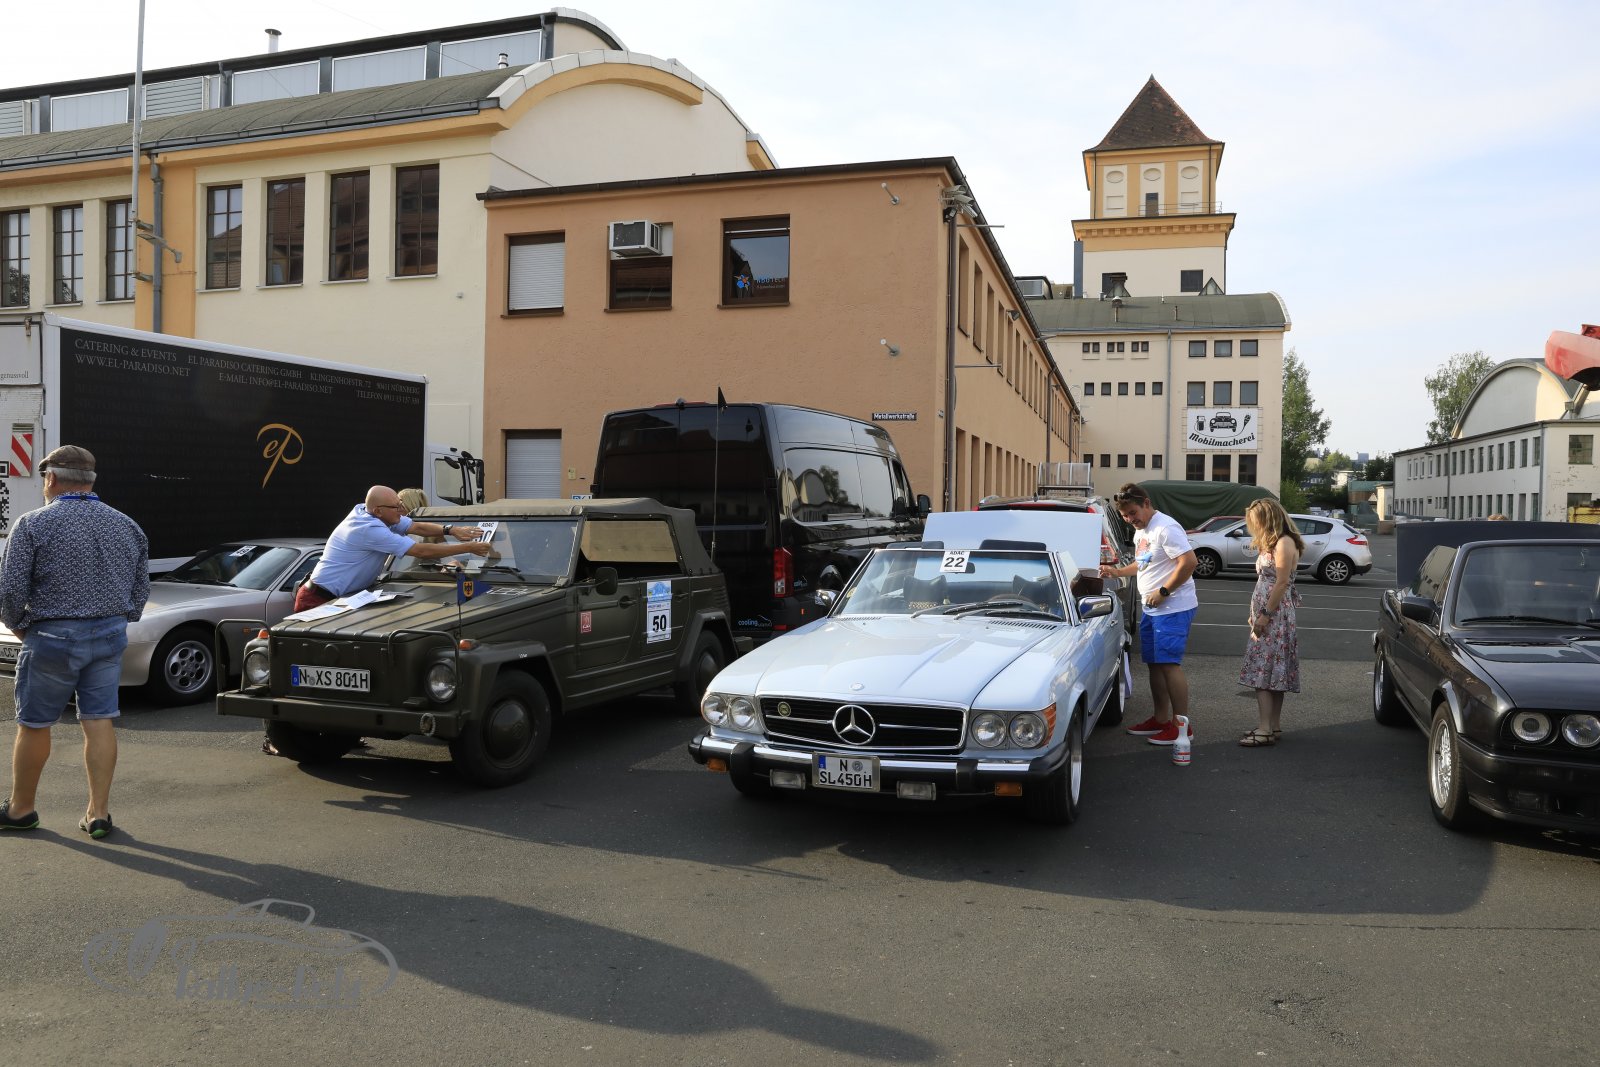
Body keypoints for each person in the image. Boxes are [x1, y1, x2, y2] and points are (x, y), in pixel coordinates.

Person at [0, 445, 148, 839]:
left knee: (34, 724)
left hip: (52, 636)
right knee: (99, 720)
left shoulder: (33, 524)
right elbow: (140, 591)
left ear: (51, 478)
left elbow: (9, 591)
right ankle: (98, 814)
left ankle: (20, 810)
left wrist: (20, 626)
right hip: (110, 635)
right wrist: (117, 621)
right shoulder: (127, 525)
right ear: (89, 481)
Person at [1099, 483, 1199, 746]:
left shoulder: (1166, 528)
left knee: (1169, 664)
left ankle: (1182, 727)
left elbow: (1189, 562)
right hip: (1153, 608)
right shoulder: (1142, 530)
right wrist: (1117, 572)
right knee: (1155, 663)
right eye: (1125, 516)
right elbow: (1143, 563)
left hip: (1173, 607)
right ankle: (1161, 719)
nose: (1130, 519)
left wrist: (1164, 591)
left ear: (1146, 503)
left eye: (1133, 513)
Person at [293, 485, 491, 612]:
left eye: (400, 504)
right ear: (378, 511)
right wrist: (467, 547)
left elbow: (416, 527)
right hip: (320, 599)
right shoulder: (368, 528)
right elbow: (420, 551)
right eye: (396, 507)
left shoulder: (370, 512)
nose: (400, 510)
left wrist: (451, 530)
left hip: (346, 598)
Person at [1237, 498, 1305, 747]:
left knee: (1263, 672)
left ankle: (1265, 729)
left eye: (1257, 521)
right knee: (1272, 671)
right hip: (1269, 612)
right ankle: (1272, 726)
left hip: (1275, 616)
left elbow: (1281, 582)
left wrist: (1265, 614)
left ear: (1269, 519)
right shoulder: (1274, 542)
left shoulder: (1284, 542)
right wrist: (1254, 612)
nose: (1254, 527)